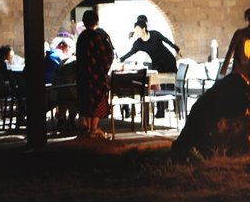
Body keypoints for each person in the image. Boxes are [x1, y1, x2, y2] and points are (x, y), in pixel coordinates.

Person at [119, 15, 181, 117]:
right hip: (157, 64)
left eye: (138, 30)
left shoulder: (155, 34)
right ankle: (160, 111)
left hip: (168, 61)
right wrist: (120, 59)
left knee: (171, 85)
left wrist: (177, 49)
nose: (137, 33)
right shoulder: (138, 43)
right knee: (158, 86)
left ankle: (176, 110)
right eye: (135, 31)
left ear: (144, 28)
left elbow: (167, 41)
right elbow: (130, 52)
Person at [75, 10, 115, 138]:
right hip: (96, 76)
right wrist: (104, 69)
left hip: (83, 75)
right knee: (96, 102)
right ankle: (93, 128)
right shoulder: (98, 37)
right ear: (96, 22)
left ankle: (87, 129)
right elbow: (107, 55)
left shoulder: (81, 37)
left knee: (86, 101)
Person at [0, 44, 27, 125]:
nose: (13, 55)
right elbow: (9, 78)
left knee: (20, 93)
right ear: (6, 54)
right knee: (22, 94)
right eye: (11, 53)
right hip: (3, 91)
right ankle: (21, 116)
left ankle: (21, 116)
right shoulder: (3, 64)